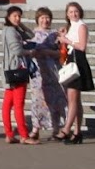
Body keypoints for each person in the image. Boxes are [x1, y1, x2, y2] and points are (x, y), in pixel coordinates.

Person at [26, 7, 67, 142]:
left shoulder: (55, 35)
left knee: (56, 98)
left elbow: (61, 53)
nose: (45, 20)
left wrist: (47, 53)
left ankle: (57, 128)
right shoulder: (31, 34)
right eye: (42, 17)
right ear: (38, 19)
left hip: (53, 71)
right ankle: (35, 128)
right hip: (37, 72)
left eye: (47, 17)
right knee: (38, 99)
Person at [59, 2, 94, 142]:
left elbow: (82, 46)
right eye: (71, 12)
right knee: (76, 100)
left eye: (76, 11)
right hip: (70, 61)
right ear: (67, 14)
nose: (74, 14)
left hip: (78, 61)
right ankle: (77, 132)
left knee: (72, 98)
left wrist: (67, 40)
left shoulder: (81, 26)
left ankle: (66, 129)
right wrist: (63, 37)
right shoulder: (71, 27)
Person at [0, 6, 34, 143]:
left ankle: (9, 134)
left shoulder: (10, 30)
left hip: (9, 69)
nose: (18, 18)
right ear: (8, 17)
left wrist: (21, 25)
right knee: (18, 104)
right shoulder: (11, 31)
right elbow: (17, 50)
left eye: (19, 16)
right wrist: (29, 53)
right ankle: (24, 135)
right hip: (16, 69)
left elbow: (31, 35)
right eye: (15, 16)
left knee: (8, 103)